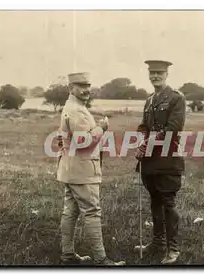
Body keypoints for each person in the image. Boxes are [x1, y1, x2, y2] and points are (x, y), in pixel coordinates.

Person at [56, 72, 125, 266]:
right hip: (83, 170)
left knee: (70, 211)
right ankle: (101, 260)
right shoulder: (77, 110)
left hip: (71, 168)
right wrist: (101, 128)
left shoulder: (72, 106)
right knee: (92, 212)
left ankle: (67, 254)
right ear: (71, 88)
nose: (86, 89)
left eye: (88, 85)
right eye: (81, 86)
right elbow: (81, 141)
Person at [134, 60, 186, 264]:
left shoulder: (176, 98)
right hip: (150, 161)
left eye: (159, 73)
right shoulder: (149, 100)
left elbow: (173, 128)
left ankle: (172, 249)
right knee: (154, 200)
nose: (155, 76)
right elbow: (144, 126)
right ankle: (157, 242)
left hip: (167, 158)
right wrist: (141, 136)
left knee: (168, 202)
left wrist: (146, 144)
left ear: (166, 74)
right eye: (152, 72)